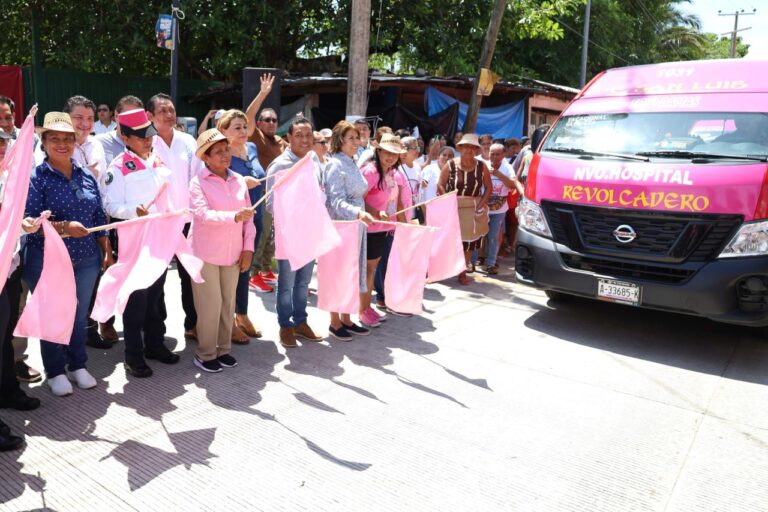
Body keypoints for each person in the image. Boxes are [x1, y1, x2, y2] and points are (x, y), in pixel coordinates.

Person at [24, 112, 114, 396]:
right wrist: (63, 227)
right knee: (53, 314)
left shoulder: (86, 174)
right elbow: (29, 222)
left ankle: (78, 365)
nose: (62, 144)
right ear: (44, 141)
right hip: (48, 258)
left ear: (75, 142)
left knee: (77, 314)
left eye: (67, 139)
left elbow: (98, 213)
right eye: (55, 139)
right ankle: (54, 370)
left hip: (87, 257)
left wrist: (106, 249)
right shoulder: (36, 178)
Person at [104, 109, 181, 378]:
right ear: (125, 136)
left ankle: (155, 345)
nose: (147, 140)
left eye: (149, 134)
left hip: (159, 240)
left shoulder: (156, 160)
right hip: (135, 243)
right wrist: (132, 210)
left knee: (156, 298)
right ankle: (133, 357)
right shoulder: (118, 166)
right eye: (140, 137)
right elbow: (110, 205)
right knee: (136, 300)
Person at [189, 129, 256, 372]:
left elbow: (250, 220)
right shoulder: (197, 182)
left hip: (233, 253)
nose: (224, 155)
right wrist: (234, 216)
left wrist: (248, 248)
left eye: (226, 149)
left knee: (228, 303)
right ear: (205, 157)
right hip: (205, 252)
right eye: (217, 152)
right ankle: (205, 354)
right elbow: (203, 215)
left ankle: (223, 349)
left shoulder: (239, 180)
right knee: (210, 304)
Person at [148, 93, 205, 341]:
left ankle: (192, 323)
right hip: (159, 223)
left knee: (190, 275)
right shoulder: (145, 142)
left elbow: (198, 177)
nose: (170, 115)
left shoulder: (187, 141)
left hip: (187, 220)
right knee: (156, 278)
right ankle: (156, 329)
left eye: (172, 110)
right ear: (150, 116)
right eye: (163, 111)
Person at [61, 95, 115, 348]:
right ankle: (62, 342)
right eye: (78, 118)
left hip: (95, 223)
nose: (84, 124)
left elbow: (102, 187)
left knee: (91, 283)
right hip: (64, 229)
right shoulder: (55, 146)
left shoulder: (96, 145)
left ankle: (88, 333)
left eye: (90, 119)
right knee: (64, 290)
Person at [265, 117, 324, 348]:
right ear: (289, 137)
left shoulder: (314, 162)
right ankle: (285, 325)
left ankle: (301, 321)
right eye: (299, 135)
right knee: (287, 282)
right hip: (289, 234)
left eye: (308, 135)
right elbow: (270, 203)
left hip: (310, 231)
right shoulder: (279, 165)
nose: (304, 139)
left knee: (304, 282)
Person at [0, 129, 41, 413]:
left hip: (10, 268)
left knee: (5, 338)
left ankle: (8, 391)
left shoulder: (6, 179)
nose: (3, 149)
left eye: (3, 143)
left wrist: (23, 224)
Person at [216, 109, 265, 343]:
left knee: (246, 267)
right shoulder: (221, 156)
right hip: (235, 218)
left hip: (256, 216)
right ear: (223, 131)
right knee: (233, 269)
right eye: (237, 127)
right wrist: (241, 182)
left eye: (244, 126)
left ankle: (242, 314)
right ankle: (230, 322)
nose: (243, 131)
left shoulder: (252, 148)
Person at [323, 121, 375, 340]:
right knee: (339, 273)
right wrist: (357, 213)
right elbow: (335, 201)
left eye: (357, 137)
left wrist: (367, 212)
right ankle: (334, 322)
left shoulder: (352, 162)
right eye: (351, 138)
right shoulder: (335, 164)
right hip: (342, 226)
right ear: (340, 140)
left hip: (357, 226)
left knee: (351, 272)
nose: (356, 141)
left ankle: (346, 318)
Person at [245, 73, 287, 292]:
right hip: (261, 194)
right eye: (267, 119)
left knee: (272, 236)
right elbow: (247, 117)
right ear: (259, 123)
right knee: (261, 233)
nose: (271, 123)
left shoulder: (281, 141)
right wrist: (262, 94)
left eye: (274, 120)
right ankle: (253, 274)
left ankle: (263, 269)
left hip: (280, 196)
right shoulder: (255, 137)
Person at [360, 133, 406, 326]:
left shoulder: (393, 174)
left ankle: (367, 307)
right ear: (378, 151)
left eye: (395, 154)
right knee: (368, 270)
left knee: (372, 269)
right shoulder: (369, 172)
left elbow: (397, 201)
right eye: (387, 152)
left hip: (383, 228)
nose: (390, 157)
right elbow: (358, 199)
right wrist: (376, 213)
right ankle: (363, 310)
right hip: (369, 228)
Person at [437, 133, 491, 285]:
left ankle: (462, 272)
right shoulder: (451, 164)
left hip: (473, 208)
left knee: (468, 243)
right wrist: (448, 201)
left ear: (476, 150)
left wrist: (481, 205)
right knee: (449, 241)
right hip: (453, 207)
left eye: (473, 147)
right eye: (466, 147)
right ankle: (444, 270)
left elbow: (488, 188)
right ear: (460, 148)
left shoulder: (482, 166)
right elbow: (440, 184)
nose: (469, 150)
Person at [485, 143, 522, 275]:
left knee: (493, 236)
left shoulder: (507, 167)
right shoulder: (483, 164)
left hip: (499, 210)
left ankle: (491, 263)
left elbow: (512, 184)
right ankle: (472, 262)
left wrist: (497, 174)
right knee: (478, 236)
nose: (494, 157)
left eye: (497, 154)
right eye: (492, 154)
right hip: (482, 208)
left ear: (503, 155)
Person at [95, 95, 145, 166]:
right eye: (127, 115)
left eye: (137, 116)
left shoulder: (150, 143)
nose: (132, 120)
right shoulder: (99, 142)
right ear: (116, 115)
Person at [398, 136, 422, 223]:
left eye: (418, 148)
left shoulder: (417, 166)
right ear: (405, 149)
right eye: (415, 148)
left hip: (414, 211)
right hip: (400, 212)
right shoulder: (397, 168)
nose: (418, 151)